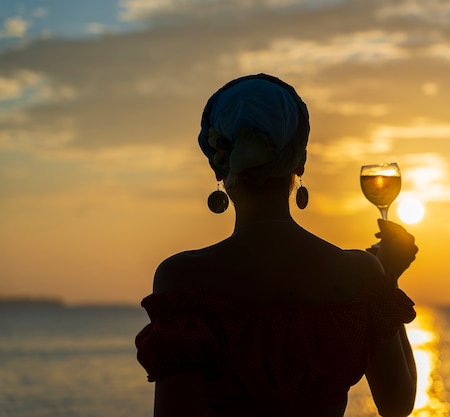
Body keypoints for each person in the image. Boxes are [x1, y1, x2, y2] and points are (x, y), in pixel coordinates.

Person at [135, 73, 419, 417]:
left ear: (219, 165)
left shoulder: (184, 280)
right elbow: (398, 405)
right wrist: (387, 276)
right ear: (299, 162)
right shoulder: (359, 275)